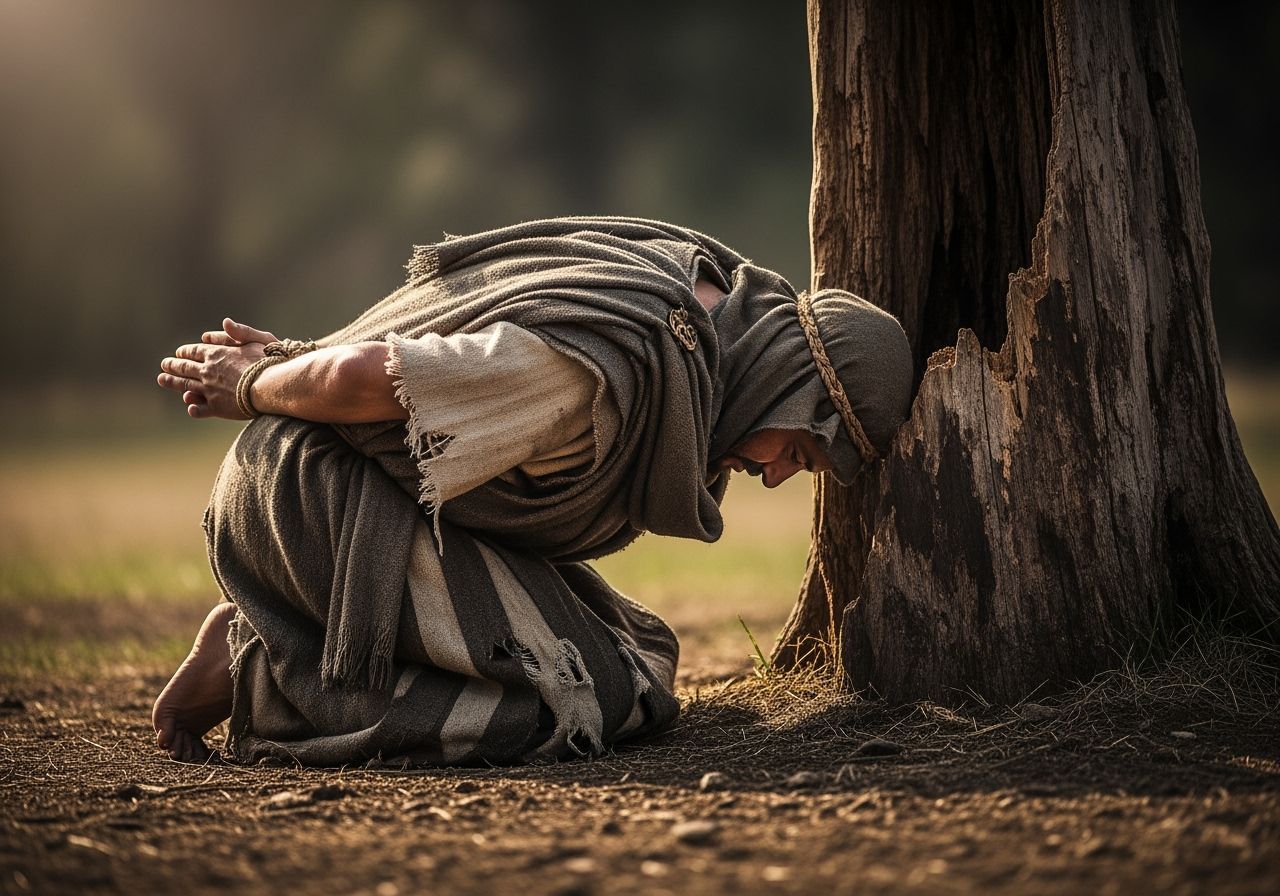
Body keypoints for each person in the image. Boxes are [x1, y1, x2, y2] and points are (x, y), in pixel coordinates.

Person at [151, 216, 914, 765]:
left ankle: (295, 629)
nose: (777, 475)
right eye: (800, 451)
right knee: (596, 699)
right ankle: (261, 670)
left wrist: (285, 359)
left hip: (380, 494)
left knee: (645, 650)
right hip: (317, 500)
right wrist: (251, 381)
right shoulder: (609, 365)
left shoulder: (695, 292)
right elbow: (367, 377)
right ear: (785, 384)